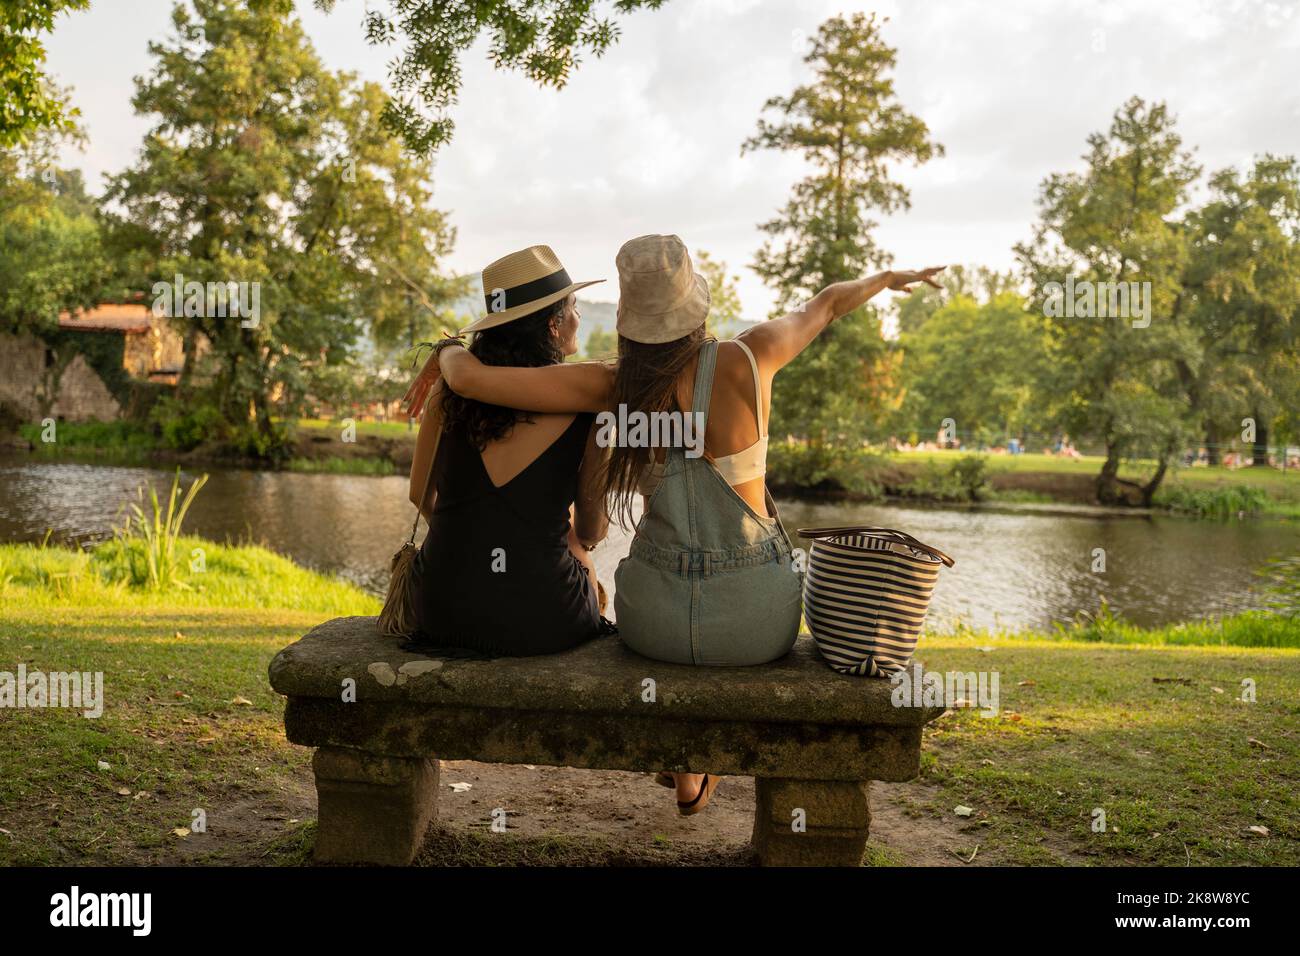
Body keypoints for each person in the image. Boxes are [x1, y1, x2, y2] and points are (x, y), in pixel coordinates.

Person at [405, 234, 943, 813]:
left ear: (628, 320)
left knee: (665, 624)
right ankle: (694, 771)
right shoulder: (749, 357)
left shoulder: (612, 386)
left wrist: (448, 351)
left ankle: (688, 765)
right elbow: (828, 303)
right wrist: (884, 278)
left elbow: (473, 384)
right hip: (756, 620)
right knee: (714, 623)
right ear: (696, 305)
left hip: (652, 619)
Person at [405, 245, 611, 657]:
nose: (578, 317)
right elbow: (591, 532)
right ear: (553, 325)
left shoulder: (449, 389)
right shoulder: (588, 399)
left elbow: (419, 496)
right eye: (572, 307)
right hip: (546, 620)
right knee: (577, 553)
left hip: (441, 611)